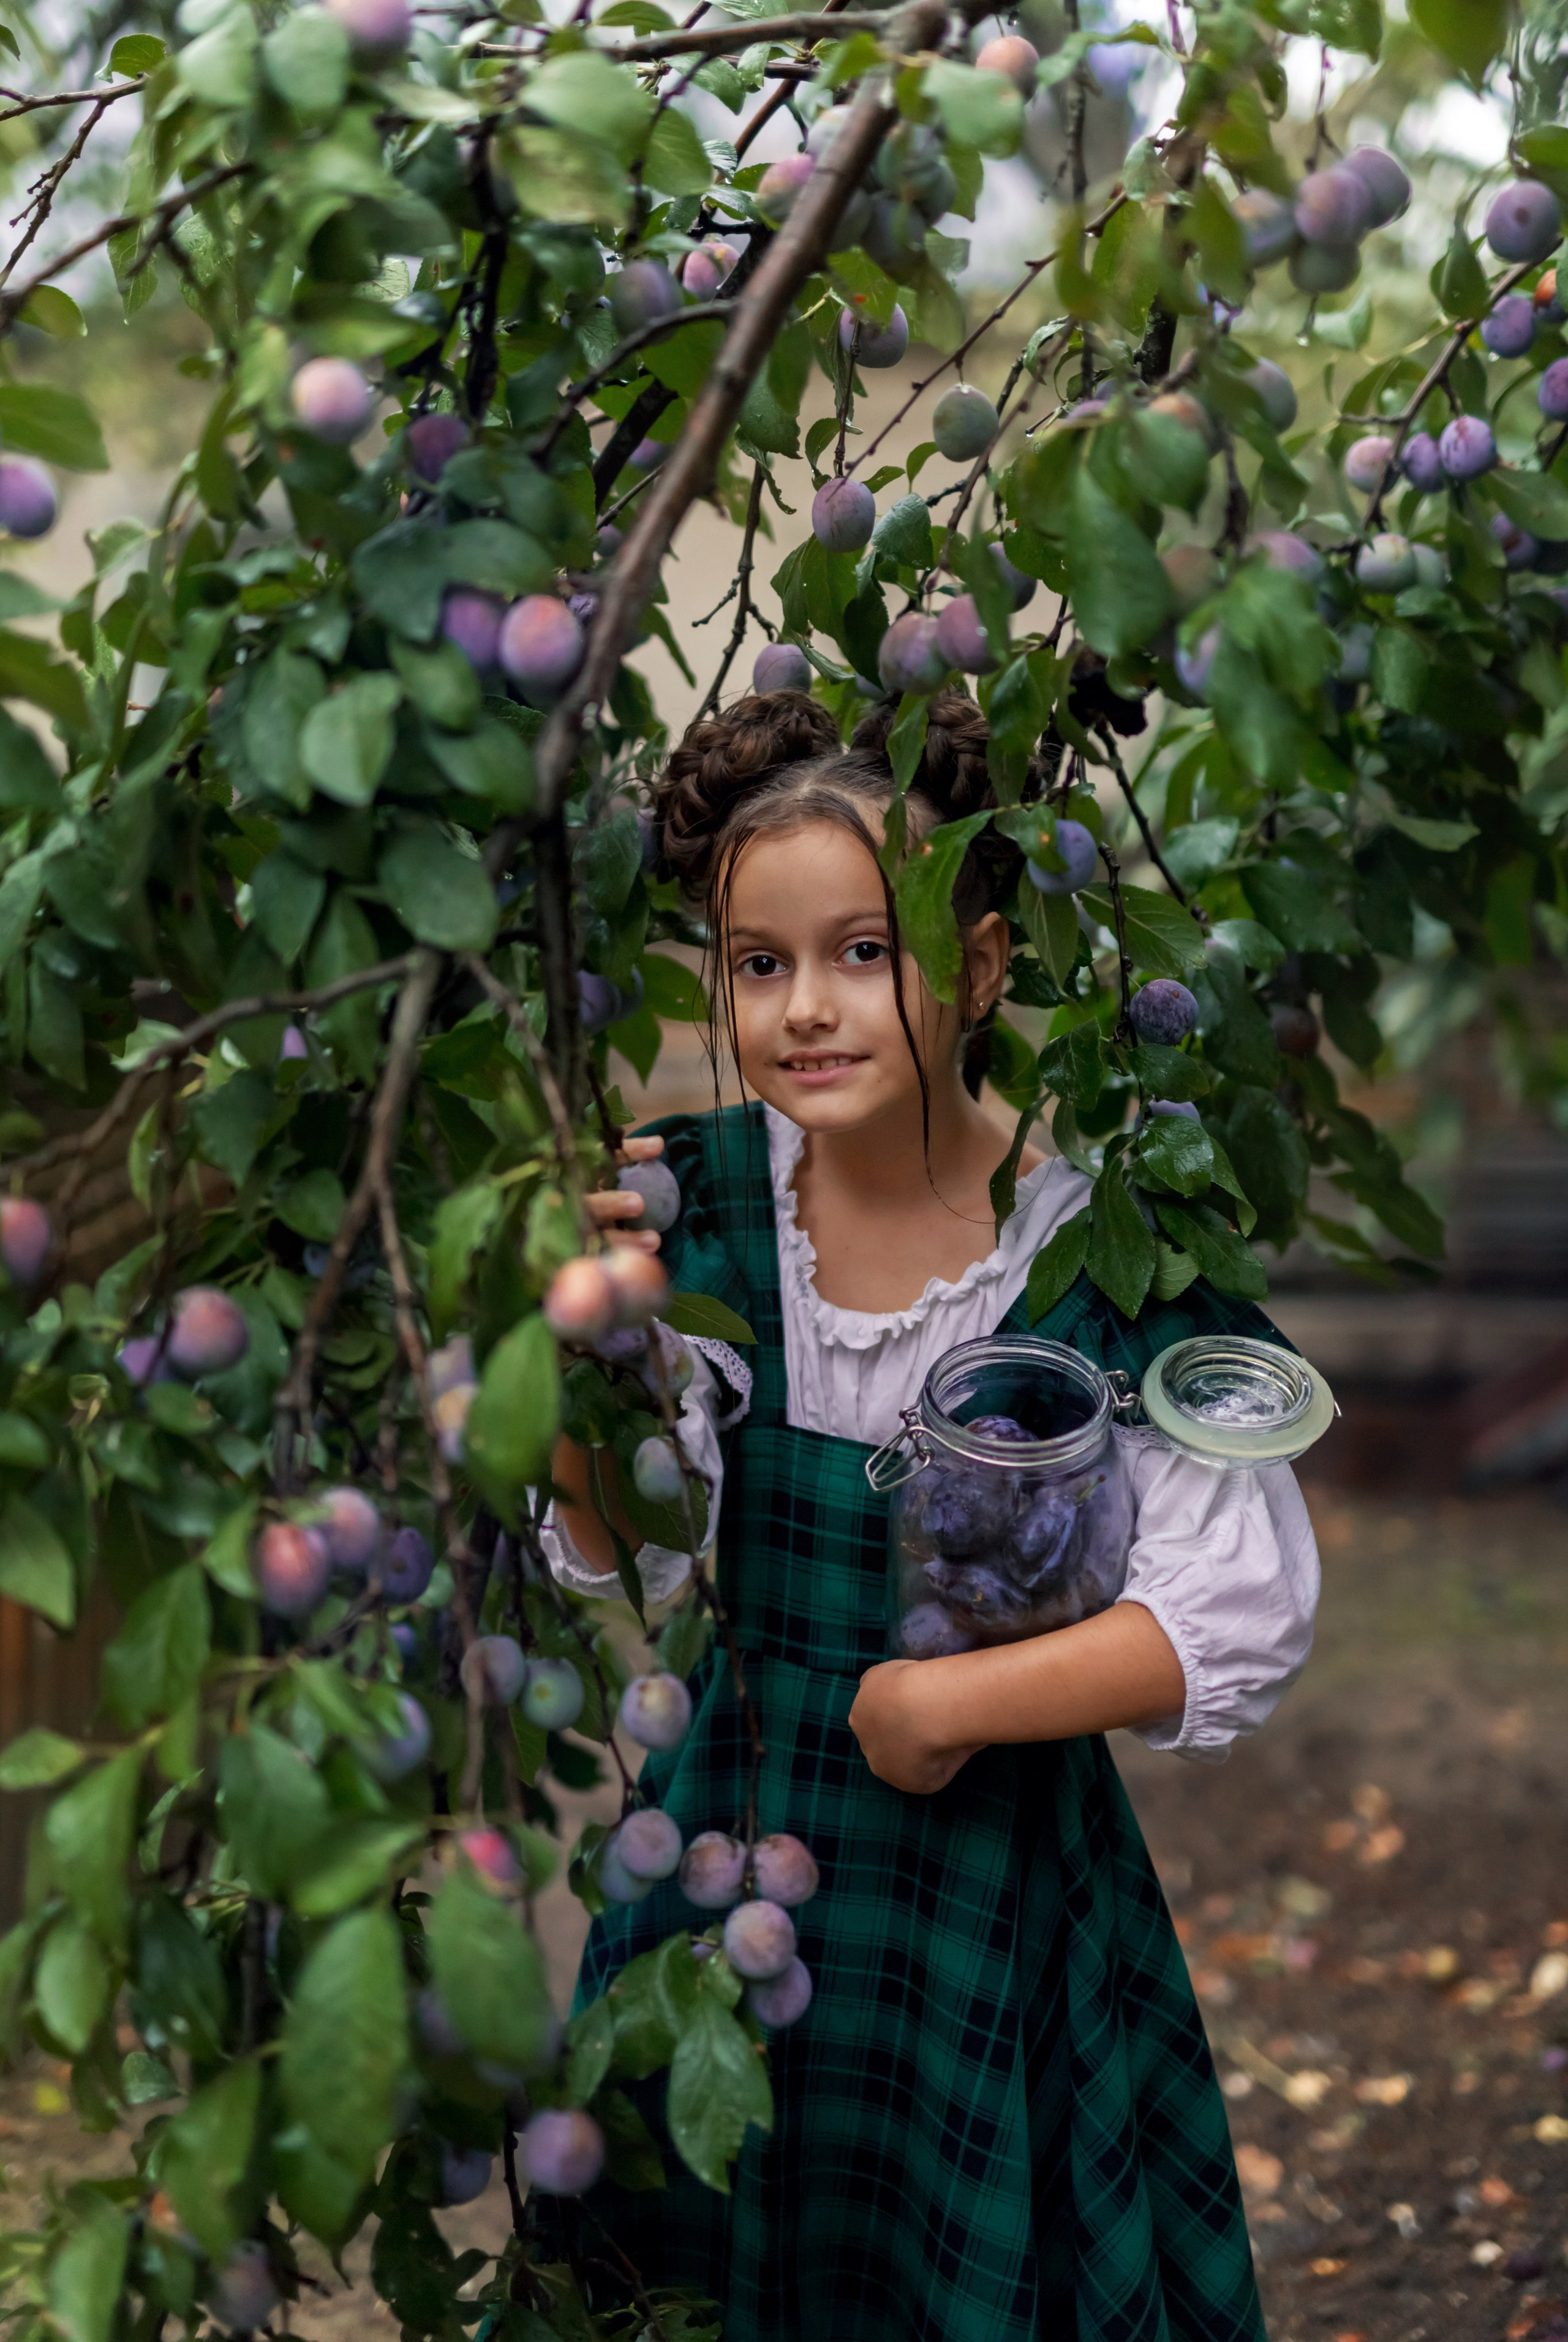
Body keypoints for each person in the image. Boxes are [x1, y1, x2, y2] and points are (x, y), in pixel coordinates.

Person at [543, 687, 1318, 2342]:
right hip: (727, 1866)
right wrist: (582, 1366)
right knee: (698, 2260)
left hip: (991, 1890)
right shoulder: (686, 1204)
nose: (807, 1010)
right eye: (760, 964)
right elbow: (627, 1545)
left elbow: (1229, 1609)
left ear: (972, 966)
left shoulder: (1105, 1239)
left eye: (864, 954)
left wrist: (947, 1698)